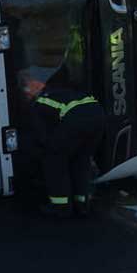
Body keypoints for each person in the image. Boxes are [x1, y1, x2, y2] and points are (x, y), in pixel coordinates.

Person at [32, 74, 106, 219]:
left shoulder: (40, 102)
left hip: (75, 120)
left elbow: (41, 134)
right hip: (98, 116)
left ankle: (61, 207)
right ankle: (82, 204)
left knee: (55, 163)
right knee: (81, 161)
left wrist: (44, 150)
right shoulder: (66, 92)